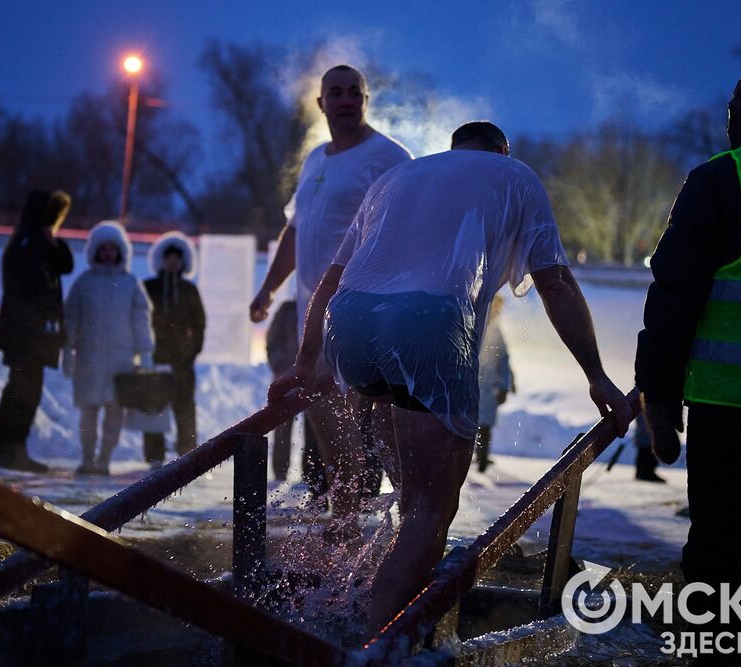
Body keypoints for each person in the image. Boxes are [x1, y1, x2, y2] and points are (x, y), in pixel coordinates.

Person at [270, 121, 631, 635]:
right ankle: (379, 641)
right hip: (431, 324)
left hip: (347, 321)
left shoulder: (399, 177)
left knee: (409, 483)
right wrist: (597, 377)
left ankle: (369, 583)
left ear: (453, 148)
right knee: (433, 507)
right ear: (502, 151)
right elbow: (554, 281)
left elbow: (329, 277)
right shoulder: (514, 176)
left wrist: (305, 363)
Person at [635, 60, 741, 663]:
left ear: (739, 116)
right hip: (726, 404)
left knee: (720, 550)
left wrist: (657, 395)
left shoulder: (722, 179)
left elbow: (675, 297)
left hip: (728, 405)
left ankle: (722, 650)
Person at [250, 64, 412, 524]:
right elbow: (297, 229)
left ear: (365, 100)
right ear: (320, 102)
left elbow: (409, 235)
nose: (344, 101)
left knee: (380, 434)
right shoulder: (316, 159)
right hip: (313, 320)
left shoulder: (389, 158)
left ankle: (410, 528)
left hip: (367, 316)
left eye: (353, 93)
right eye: (335, 93)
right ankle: (345, 533)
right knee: (332, 438)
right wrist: (268, 287)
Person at [0, 189, 73, 473]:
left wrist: (53, 241)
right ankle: (8, 449)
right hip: (26, 333)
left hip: (30, 333)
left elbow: (65, 265)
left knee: (24, 389)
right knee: (23, 391)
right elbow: (36, 287)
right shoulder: (29, 243)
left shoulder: (32, 240)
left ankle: (8, 448)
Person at [64, 221, 154, 476]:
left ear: (120, 251)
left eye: (111, 249)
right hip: (88, 360)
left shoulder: (130, 283)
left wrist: (145, 351)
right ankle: (87, 458)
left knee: (114, 415)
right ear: (95, 250)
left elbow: (141, 319)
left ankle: (104, 460)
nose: (107, 253)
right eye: (102, 249)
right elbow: (71, 319)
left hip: (121, 361)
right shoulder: (83, 283)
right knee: (88, 414)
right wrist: (67, 352)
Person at [142, 232, 206, 468]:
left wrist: (191, 351)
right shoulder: (149, 287)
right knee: (154, 406)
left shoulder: (189, 290)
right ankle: (154, 456)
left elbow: (199, 324)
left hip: (182, 360)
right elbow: (141, 318)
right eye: (168, 257)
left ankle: (187, 454)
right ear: (161, 258)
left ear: (183, 261)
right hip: (155, 357)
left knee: (185, 407)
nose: (172, 262)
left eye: (177, 257)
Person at [266, 300, 326, 500]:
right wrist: (280, 364)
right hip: (287, 376)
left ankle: (311, 478)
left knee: (314, 432)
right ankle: (280, 475)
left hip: (313, 378)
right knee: (282, 428)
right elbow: (273, 340)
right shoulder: (287, 309)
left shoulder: (323, 307)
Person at [476, 295, 515, 474]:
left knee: (483, 426)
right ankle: (478, 456)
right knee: (476, 425)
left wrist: (506, 385)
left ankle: (482, 457)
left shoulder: (493, 329)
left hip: (488, 387)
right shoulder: (476, 325)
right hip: (474, 386)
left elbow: (503, 360)